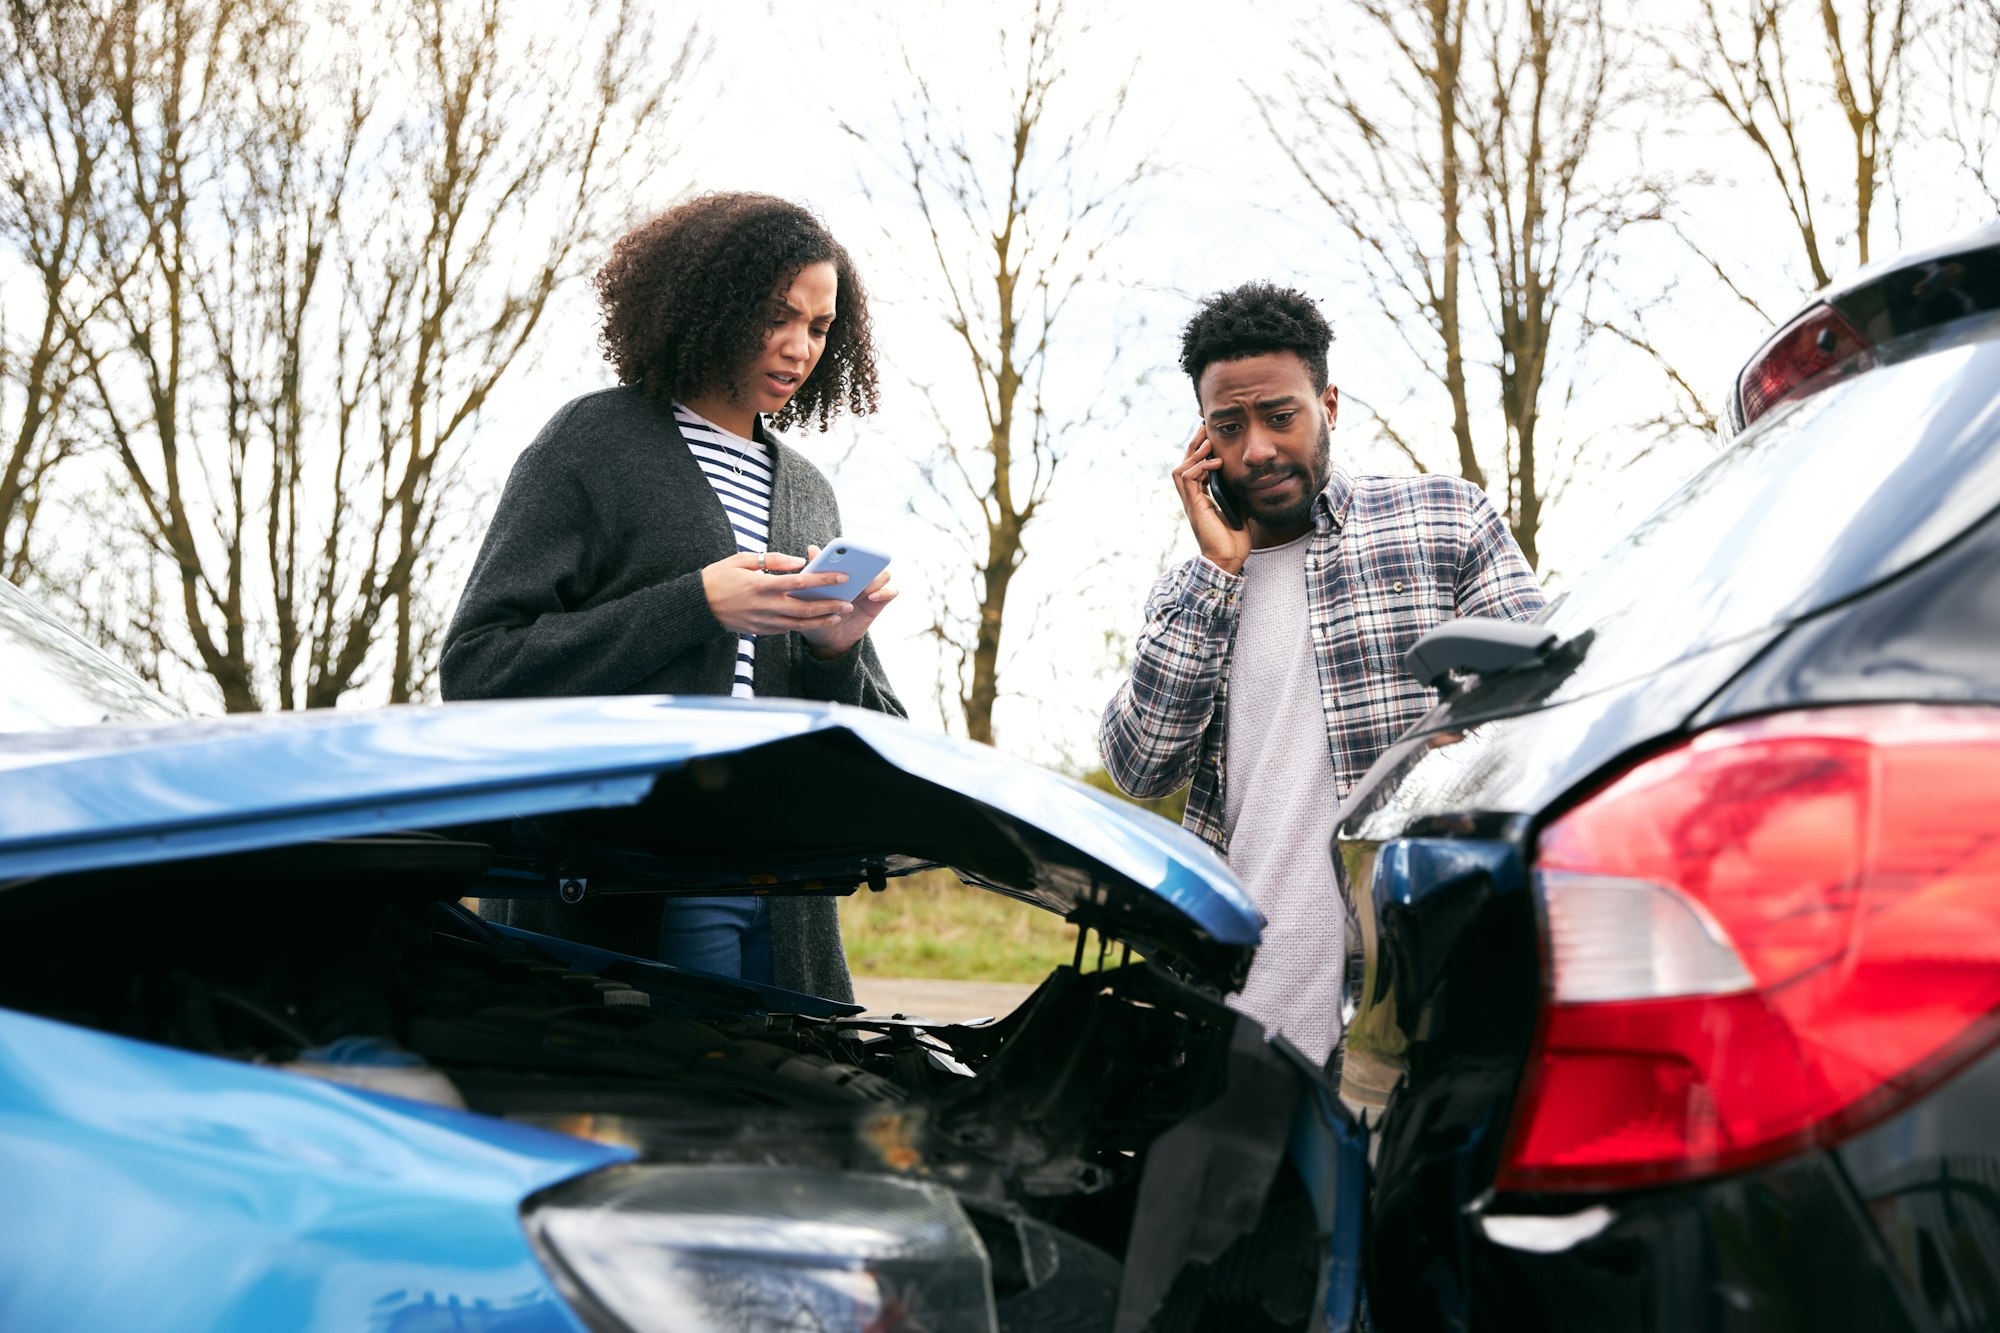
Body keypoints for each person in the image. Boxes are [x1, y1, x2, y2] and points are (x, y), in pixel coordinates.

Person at [440, 192, 903, 1003]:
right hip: (617, 891)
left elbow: (877, 737)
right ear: (710, 305)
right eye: (776, 316)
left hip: (782, 902)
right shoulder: (591, 443)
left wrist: (839, 649)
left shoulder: (809, 493)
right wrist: (696, 603)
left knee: (782, 1121)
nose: (799, 349)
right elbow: (478, 666)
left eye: (821, 328)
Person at [1098, 282, 1544, 1067]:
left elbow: (1545, 706)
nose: (1257, 449)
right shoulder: (1191, 587)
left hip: (1415, 994)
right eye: (1228, 427)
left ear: (1328, 404)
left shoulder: (1443, 520)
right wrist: (1217, 574)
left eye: (1280, 415)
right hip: (1240, 1005)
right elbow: (1140, 766)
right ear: (1203, 440)